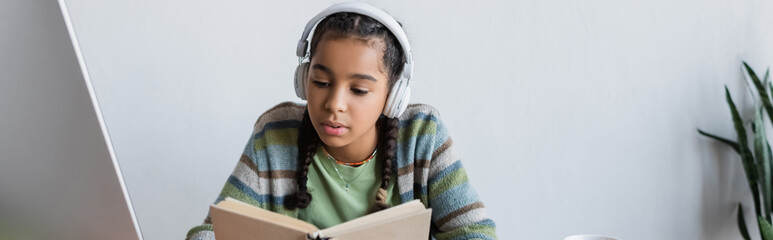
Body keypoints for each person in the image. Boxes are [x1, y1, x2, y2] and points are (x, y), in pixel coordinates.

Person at [185, 2, 497, 239]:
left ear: (393, 96)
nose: (334, 105)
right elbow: (210, 231)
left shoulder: (422, 137)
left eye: (359, 90)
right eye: (320, 82)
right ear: (303, 78)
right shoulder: (274, 136)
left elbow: (477, 233)